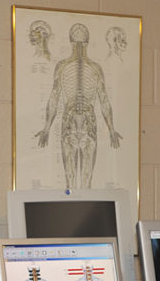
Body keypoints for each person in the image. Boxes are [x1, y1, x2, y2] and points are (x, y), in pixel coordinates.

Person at [35, 22, 122, 192]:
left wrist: (111, 128)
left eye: (82, 43)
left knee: (87, 181)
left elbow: (103, 98)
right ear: (71, 43)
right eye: (77, 43)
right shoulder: (62, 66)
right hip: (69, 122)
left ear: (87, 43)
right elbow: (54, 96)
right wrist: (46, 127)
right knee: (70, 181)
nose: (79, 46)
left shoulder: (95, 68)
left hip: (88, 123)